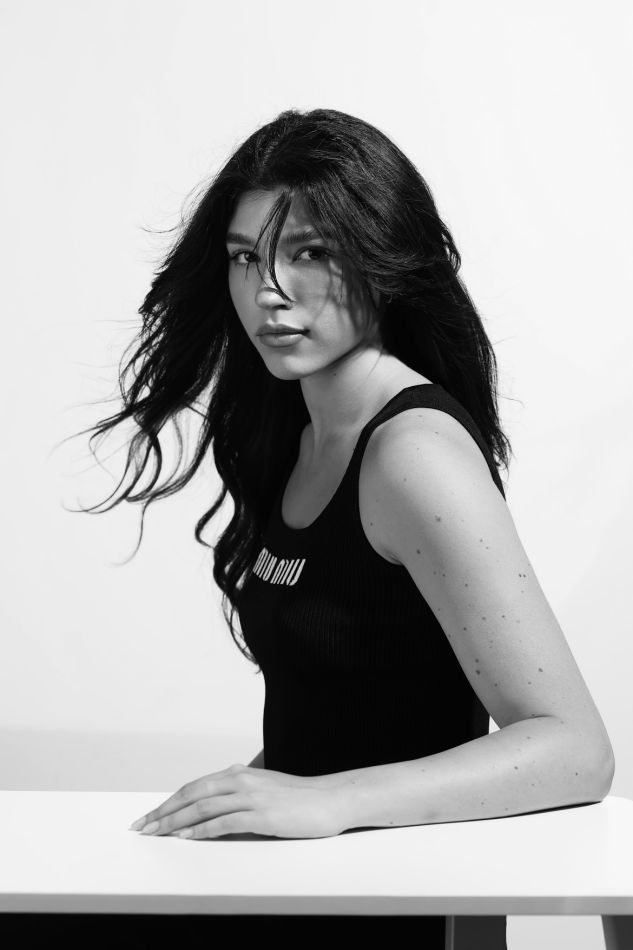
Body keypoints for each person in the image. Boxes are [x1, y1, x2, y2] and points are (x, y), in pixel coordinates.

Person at [69, 108, 614, 949]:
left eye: (310, 252)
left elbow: (574, 750)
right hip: (306, 885)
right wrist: (245, 797)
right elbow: (347, 705)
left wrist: (328, 800)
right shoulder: (294, 431)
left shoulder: (412, 453)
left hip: (397, 899)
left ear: (382, 261)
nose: (268, 290)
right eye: (245, 257)